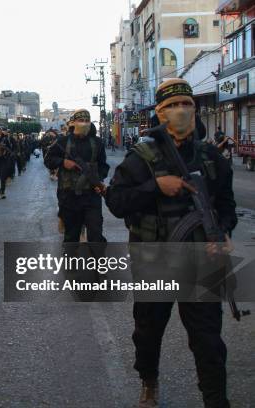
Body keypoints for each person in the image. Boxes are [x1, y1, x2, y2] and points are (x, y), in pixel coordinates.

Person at [105, 78, 236, 408]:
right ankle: (148, 381)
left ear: (195, 110)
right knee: (148, 333)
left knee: (208, 341)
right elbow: (116, 201)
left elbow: (227, 206)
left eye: (186, 104)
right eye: (172, 106)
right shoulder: (140, 158)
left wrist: (223, 233)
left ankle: (216, 401)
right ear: (159, 114)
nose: (180, 111)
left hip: (200, 262)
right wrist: (154, 187)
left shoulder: (211, 158)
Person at [44, 109, 109, 243]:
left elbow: (103, 166)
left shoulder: (97, 142)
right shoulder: (63, 142)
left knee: (96, 235)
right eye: (81, 121)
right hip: (69, 197)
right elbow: (48, 160)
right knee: (71, 237)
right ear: (73, 123)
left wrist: (99, 180)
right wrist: (62, 162)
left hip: (91, 196)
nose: (84, 124)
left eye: (87, 121)